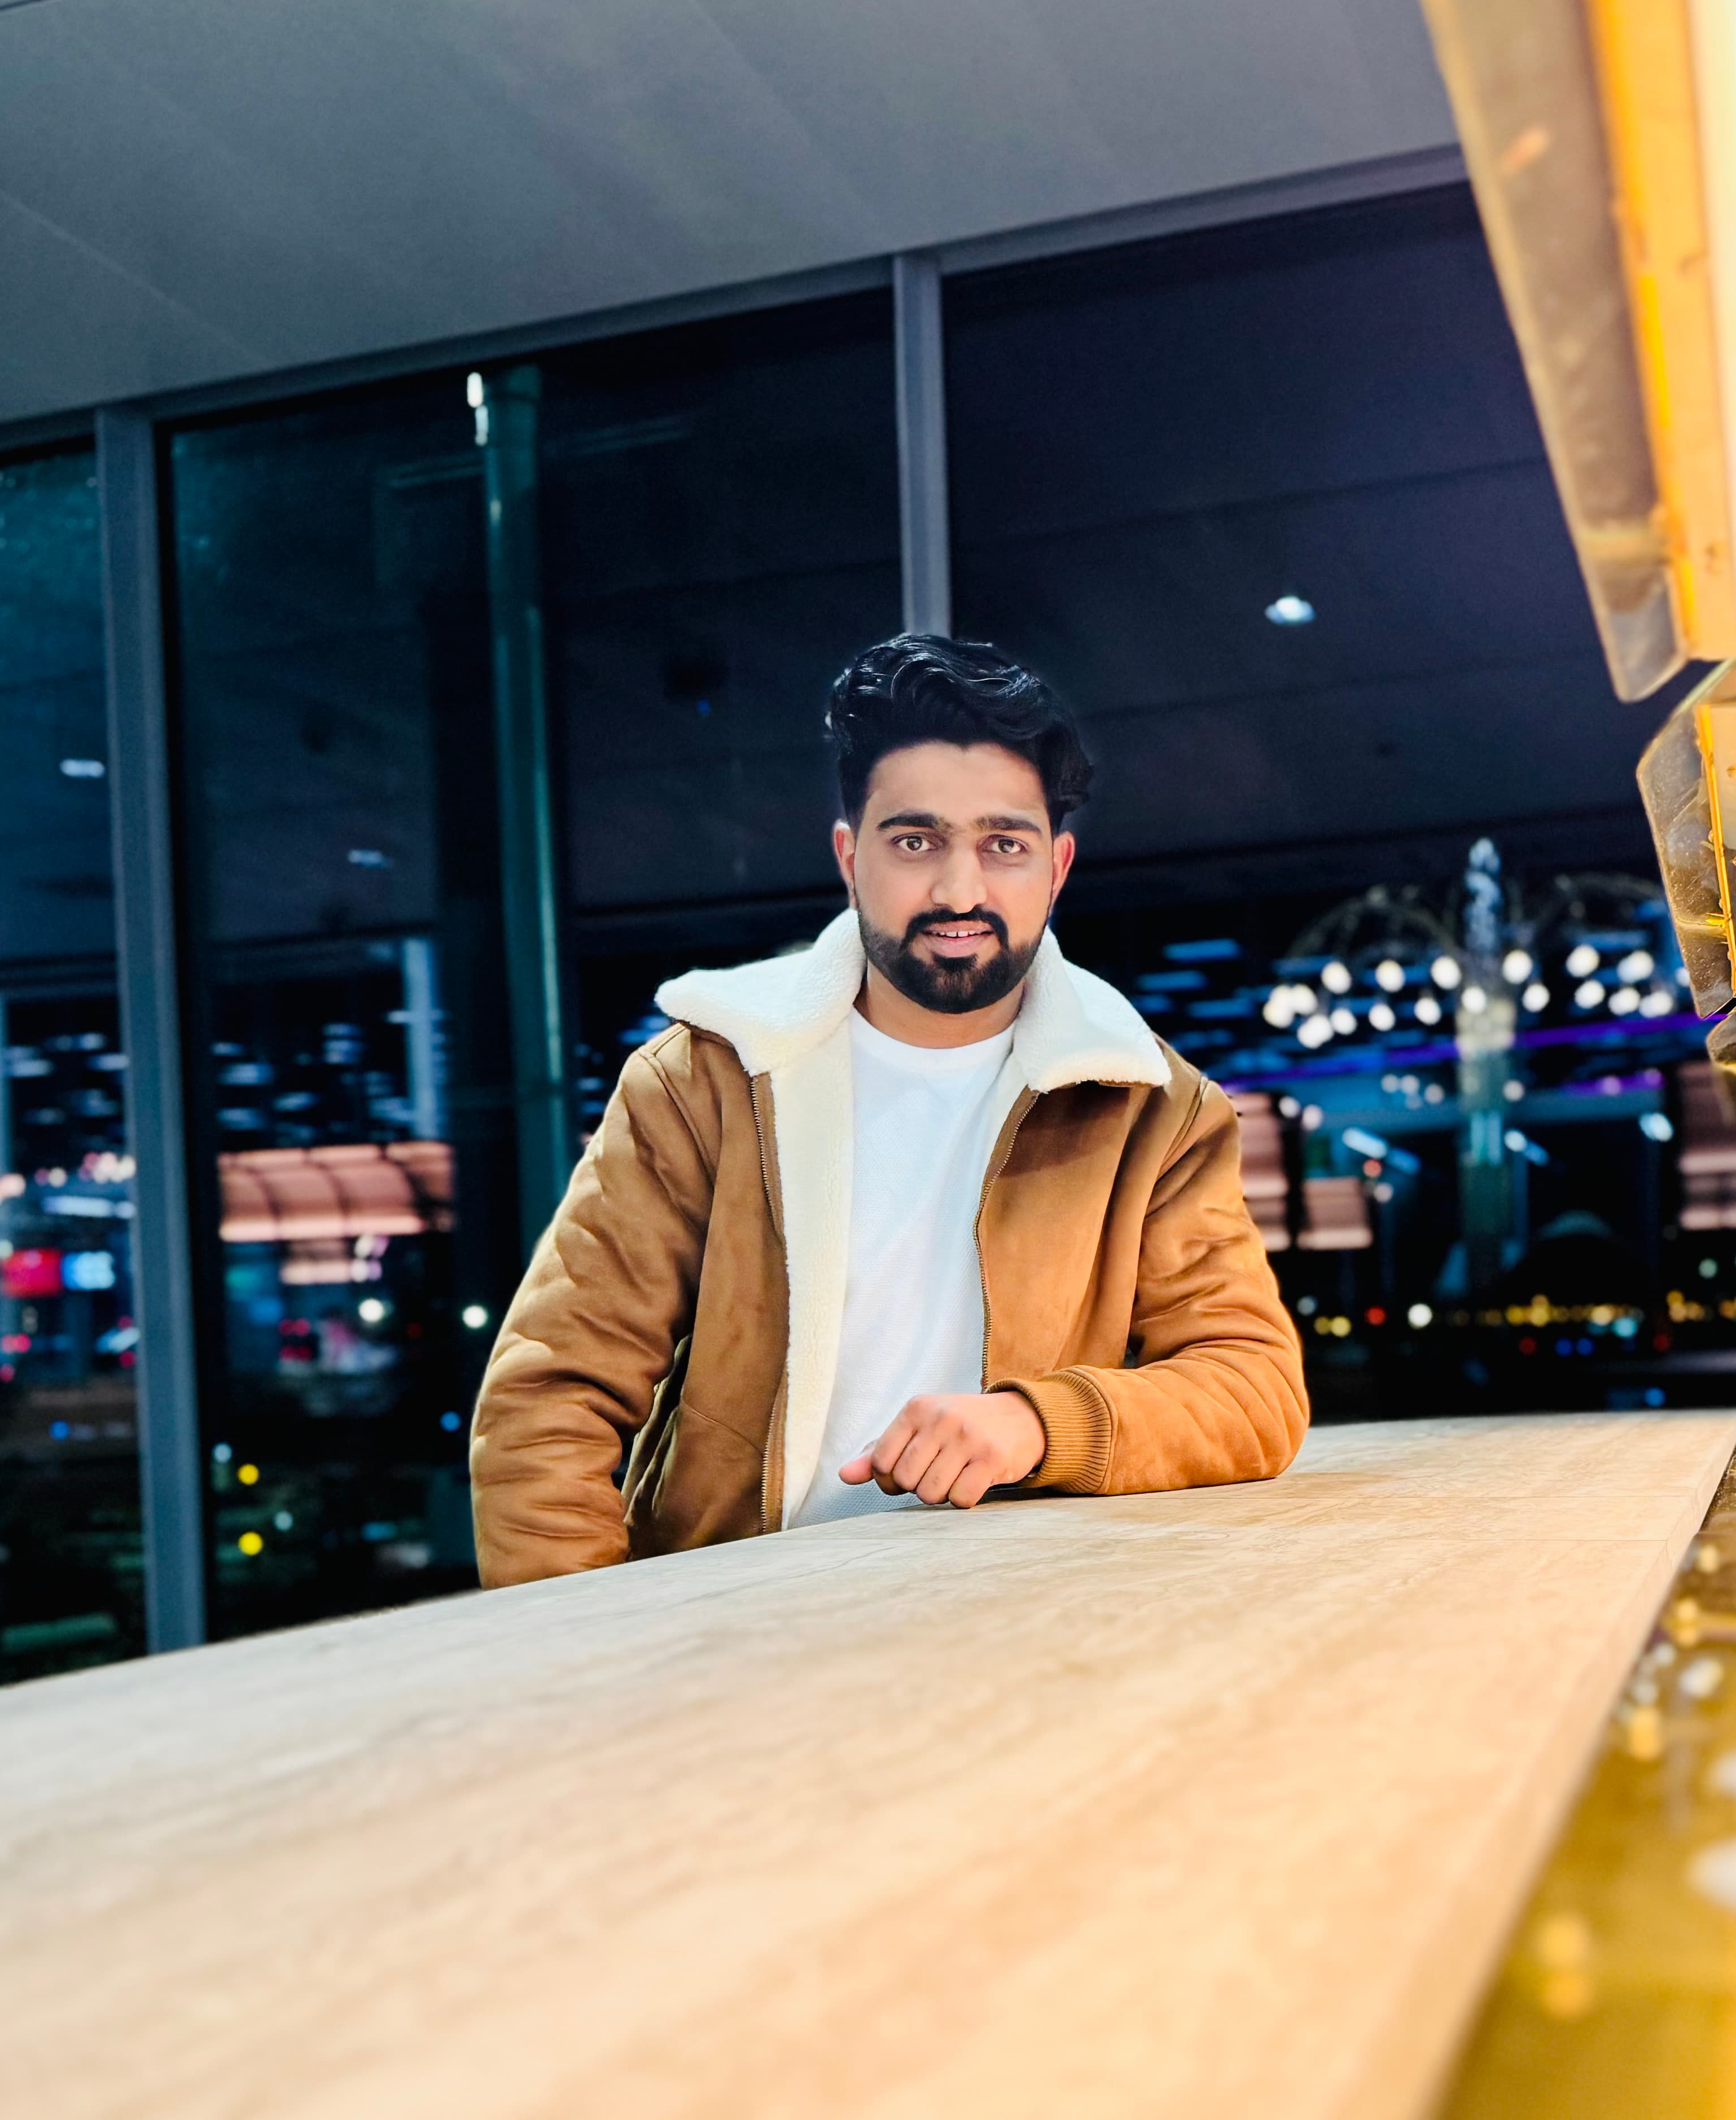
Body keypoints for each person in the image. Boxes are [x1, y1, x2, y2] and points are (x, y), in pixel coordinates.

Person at [471, 635, 1308, 1583]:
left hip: (1020, 1614)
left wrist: (1037, 1423)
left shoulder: (1150, 1109)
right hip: (731, 1620)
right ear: (850, 857)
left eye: (1004, 844)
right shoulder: (706, 1080)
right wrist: (581, 1647)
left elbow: (1252, 1388)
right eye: (916, 841)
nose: (960, 889)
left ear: (1058, 868)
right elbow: (550, 1401)